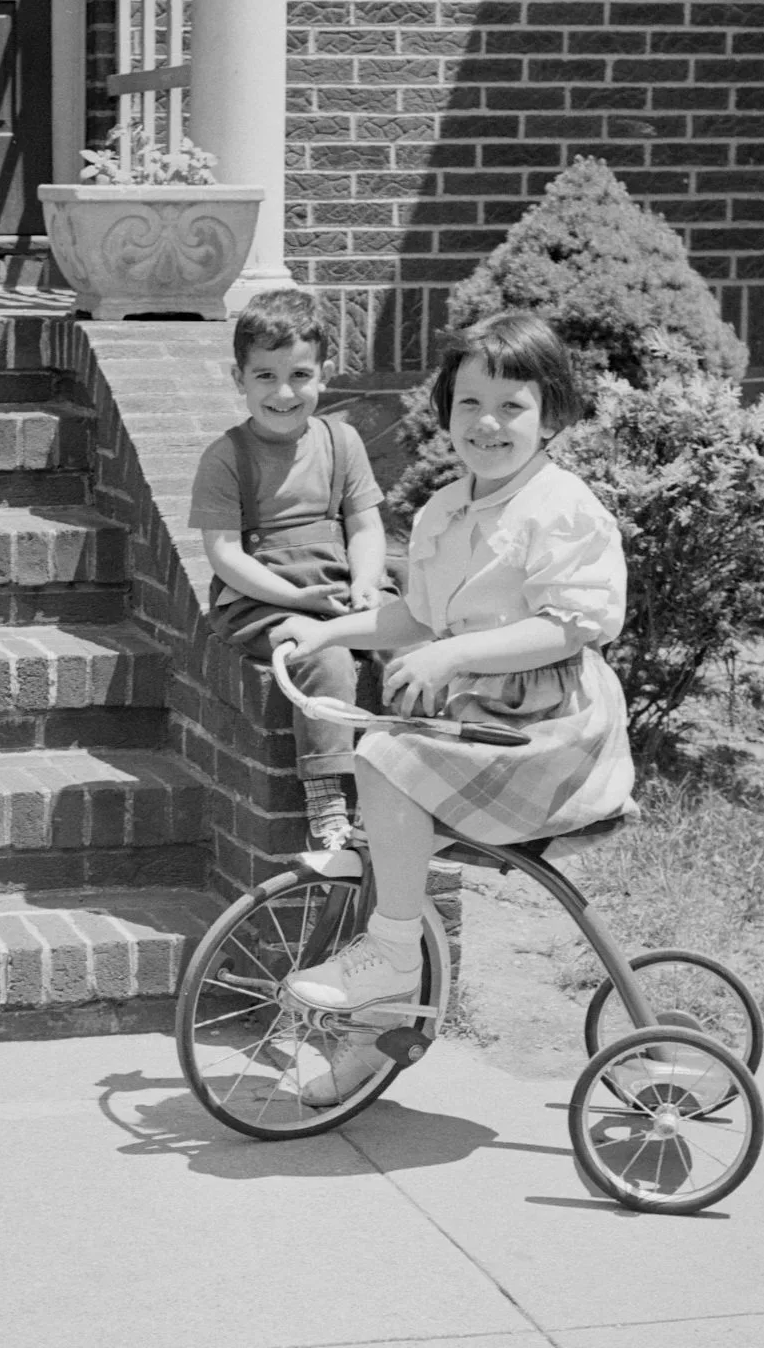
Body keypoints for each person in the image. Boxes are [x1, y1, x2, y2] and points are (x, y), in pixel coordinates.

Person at [270, 311, 636, 1104]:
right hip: (482, 725)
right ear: (445, 411)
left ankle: (395, 954)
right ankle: (381, 1014)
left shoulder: (560, 507)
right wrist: (324, 628)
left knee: (383, 758)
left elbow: (573, 624)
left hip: (550, 731)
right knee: (383, 831)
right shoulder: (444, 511)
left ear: (553, 415)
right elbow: (417, 617)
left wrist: (455, 654)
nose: (489, 423)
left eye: (512, 405)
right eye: (469, 403)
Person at [188, 288, 390, 850]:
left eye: (300, 374)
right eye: (265, 376)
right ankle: (328, 795)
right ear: (238, 378)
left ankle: (414, 768)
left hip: (337, 584)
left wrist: (368, 585)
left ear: (324, 373)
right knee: (324, 657)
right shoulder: (227, 457)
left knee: (410, 636)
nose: (284, 392)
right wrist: (304, 606)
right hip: (262, 599)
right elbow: (227, 556)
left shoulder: (341, 441)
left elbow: (366, 527)